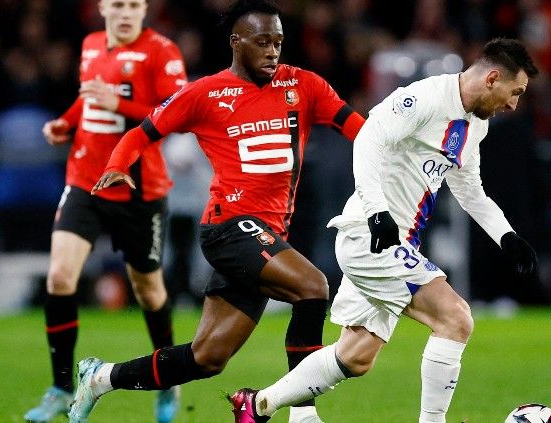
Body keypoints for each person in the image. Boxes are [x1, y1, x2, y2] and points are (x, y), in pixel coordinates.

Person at [68, 1, 365, 423]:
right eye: (262, 42)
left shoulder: (304, 85)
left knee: (207, 358)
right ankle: (303, 413)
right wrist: (117, 166)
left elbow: (360, 131)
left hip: (265, 237)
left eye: (278, 43)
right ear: (236, 42)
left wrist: (398, 150)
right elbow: (142, 132)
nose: (272, 52)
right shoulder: (205, 93)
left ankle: (101, 377)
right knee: (313, 287)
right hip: (230, 227)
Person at [228, 37, 540, 423]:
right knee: (456, 318)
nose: (514, 104)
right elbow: (368, 140)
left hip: (395, 242)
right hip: (371, 235)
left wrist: (506, 237)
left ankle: (257, 405)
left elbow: (469, 188)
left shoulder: (476, 125)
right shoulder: (424, 98)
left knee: (356, 355)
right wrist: (378, 212)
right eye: (516, 92)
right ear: (493, 78)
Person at [24, 1, 187, 422]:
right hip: (85, 182)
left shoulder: (162, 52)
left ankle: (167, 381)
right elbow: (89, 102)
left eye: (134, 4)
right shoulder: (92, 44)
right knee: (60, 276)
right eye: (118, 4)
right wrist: (65, 122)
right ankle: (61, 388)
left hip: (139, 189)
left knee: (149, 291)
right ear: (103, 7)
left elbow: (174, 114)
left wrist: (118, 103)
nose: (127, 12)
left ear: (144, 8)